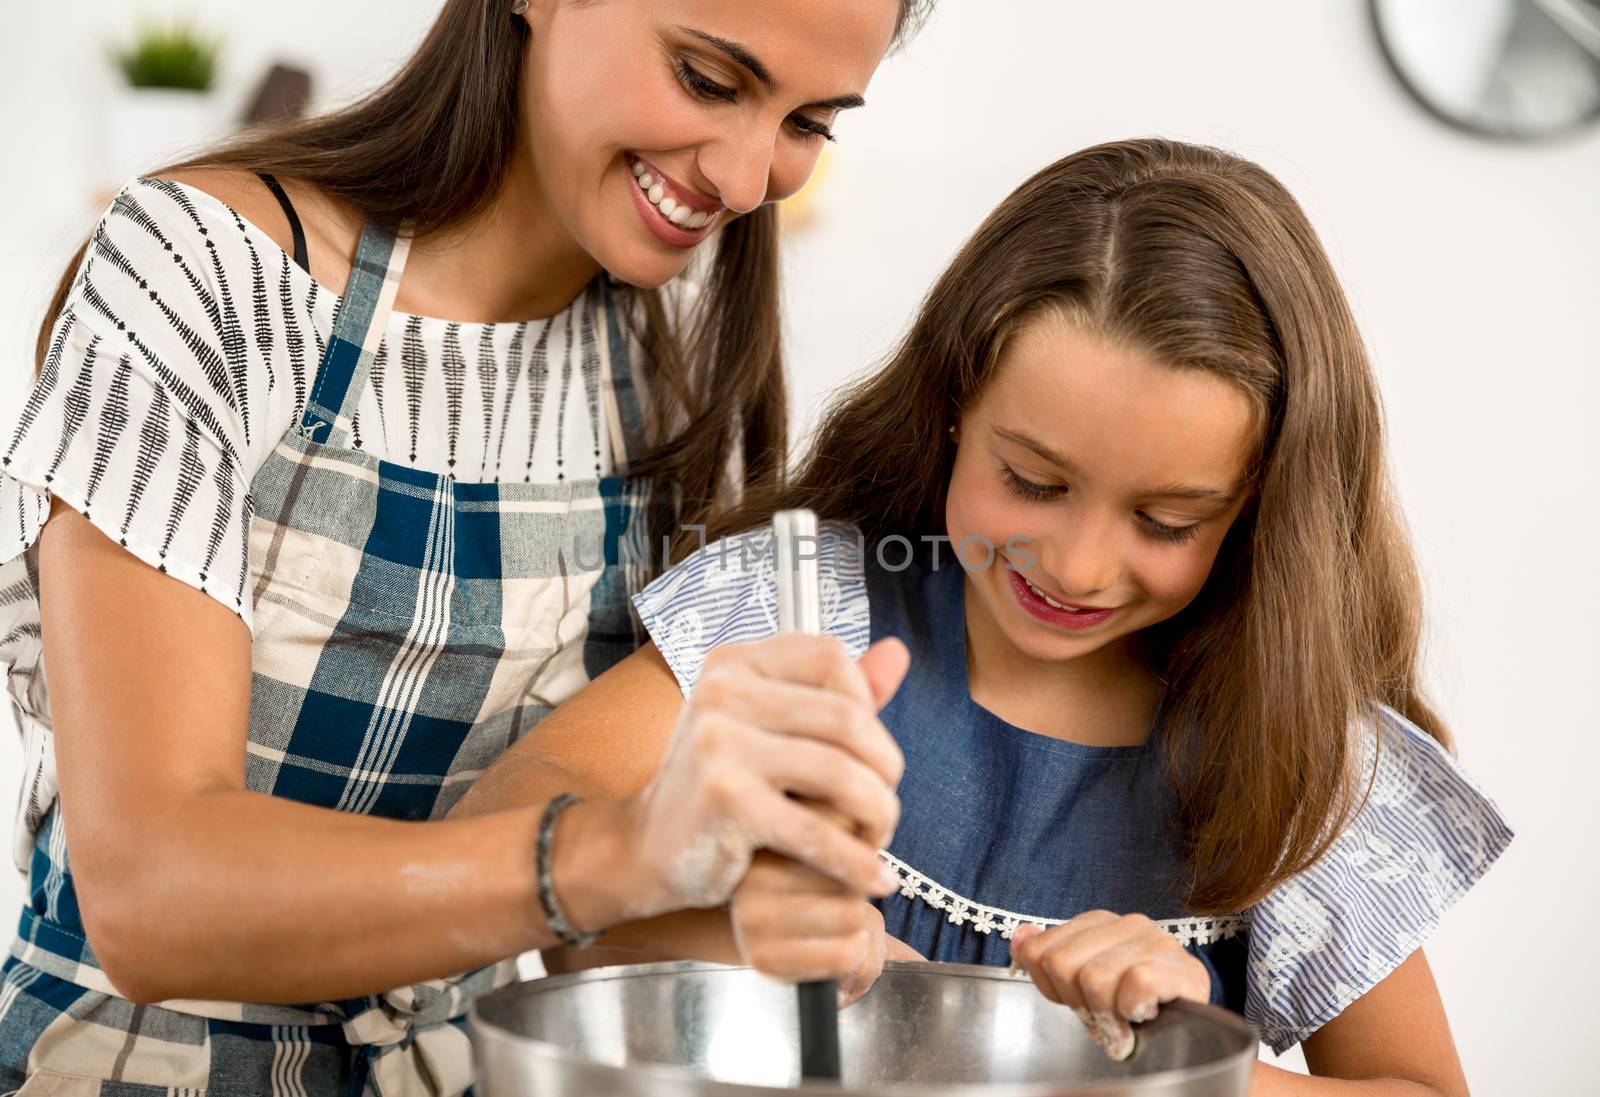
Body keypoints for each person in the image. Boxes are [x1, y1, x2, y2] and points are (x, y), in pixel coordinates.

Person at [0, 0, 934, 1092]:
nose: (741, 178)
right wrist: (617, 851)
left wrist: (846, 954)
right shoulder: (207, 268)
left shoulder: (660, 359)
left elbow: (597, 910)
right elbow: (151, 899)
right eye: (708, 79)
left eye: (809, 122)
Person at [451, 139, 1514, 1095]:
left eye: (1165, 517)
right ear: (953, 405)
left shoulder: (1291, 758)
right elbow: (512, 821)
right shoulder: (799, 609)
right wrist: (747, 936)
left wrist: (1186, 1068)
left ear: (1257, 513)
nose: (1078, 563)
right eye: (1034, 480)